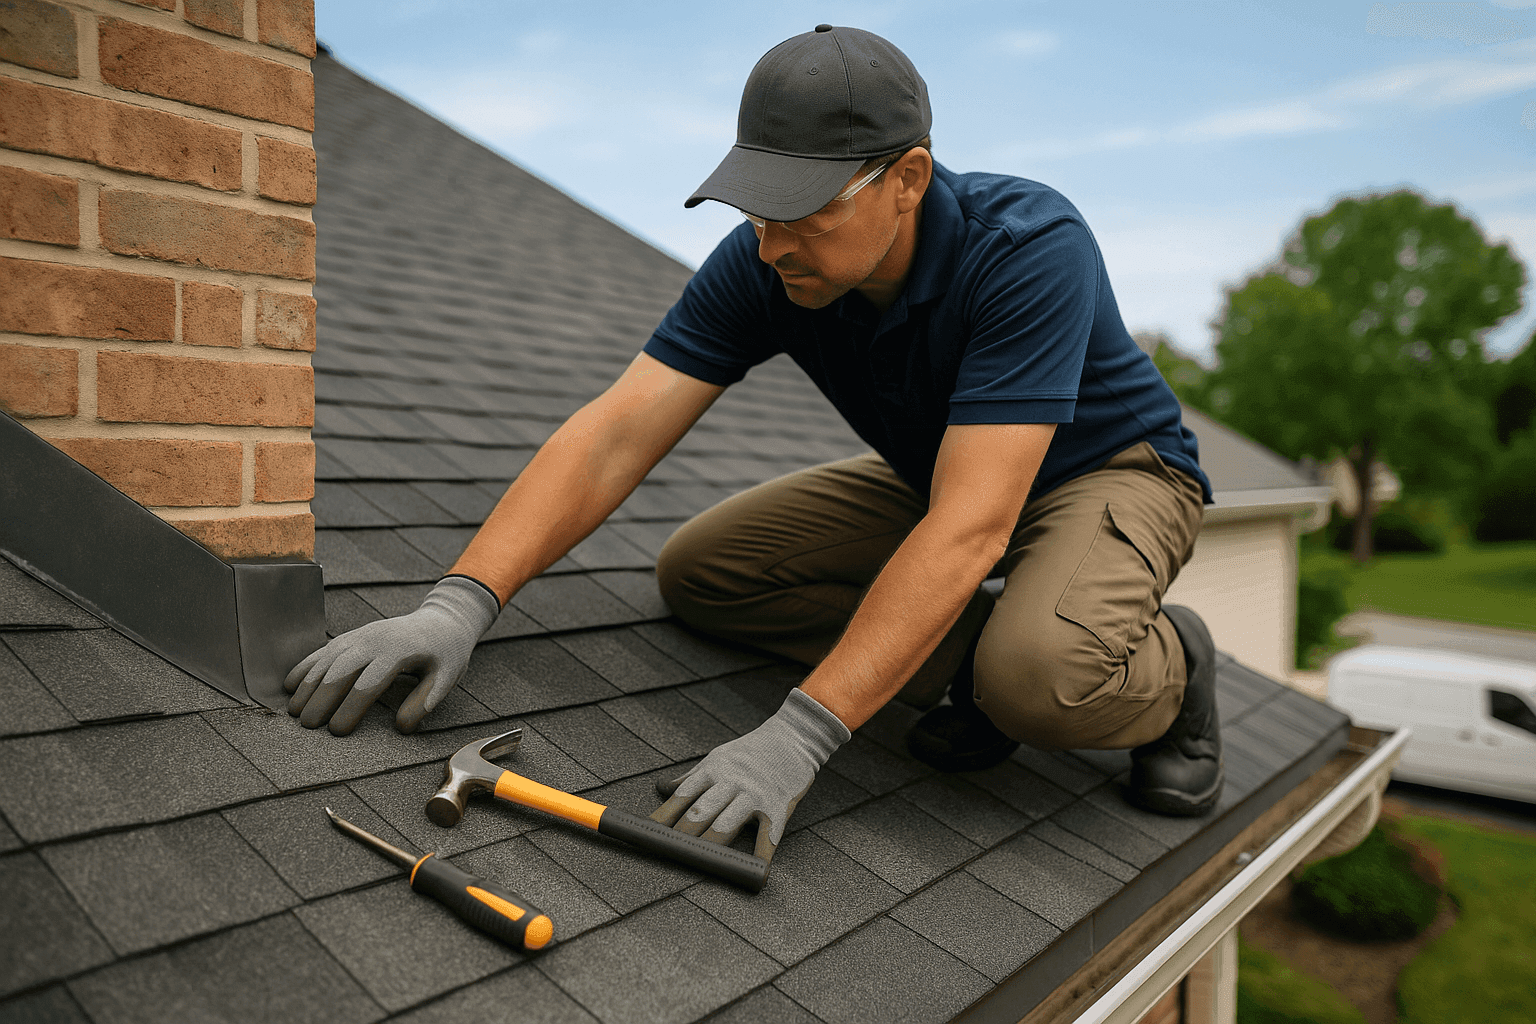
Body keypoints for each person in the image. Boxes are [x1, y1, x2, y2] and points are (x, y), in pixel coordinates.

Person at [285, 25, 1223, 867]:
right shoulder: (768, 260)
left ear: (907, 179)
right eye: (758, 211)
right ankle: (973, 659)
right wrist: (458, 605)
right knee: (707, 573)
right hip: (940, 470)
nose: (774, 246)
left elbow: (976, 525)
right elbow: (616, 432)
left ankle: (1171, 672)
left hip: (1109, 472)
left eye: (806, 212)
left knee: (1035, 681)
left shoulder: (1028, 247)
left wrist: (802, 734)